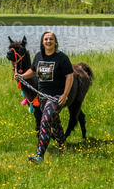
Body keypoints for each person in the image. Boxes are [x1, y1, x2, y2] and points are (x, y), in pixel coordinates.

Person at [15, 30, 73, 163]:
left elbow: (69, 76)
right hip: (42, 97)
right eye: (46, 39)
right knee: (54, 121)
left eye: (51, 39)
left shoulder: (62, 58)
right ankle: (62, 146)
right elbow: (33, 71)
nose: (48, 41)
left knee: (45, 120)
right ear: (42, 41)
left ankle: (40, 155)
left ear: (55, 41)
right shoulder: (38, 56)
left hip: (56, 97)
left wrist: (65, 94)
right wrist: (22, 76)